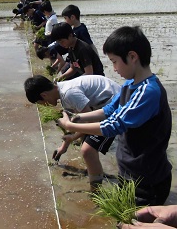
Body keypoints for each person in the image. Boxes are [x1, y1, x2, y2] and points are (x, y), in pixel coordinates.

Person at [57, 26, 172, 206]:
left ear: (133, 57)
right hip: (130, 173)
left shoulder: (148, 92)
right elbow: (108, 110)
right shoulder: (129, 85)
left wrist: (71, 127)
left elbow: (112, 125)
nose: (114, 68)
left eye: (114, 61)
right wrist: (78, 118)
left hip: (147, 179)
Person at [24, 74, 121, 191]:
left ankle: (96, 191)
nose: (46, 105)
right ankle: (96, 176)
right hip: (103, 106)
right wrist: (64, 145)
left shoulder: (69, 93)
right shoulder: (63, 90)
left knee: (88, 150)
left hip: (116, 108)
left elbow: (90, 121)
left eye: (42, 103)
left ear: (44, 95)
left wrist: (74, 137)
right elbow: (77, 120)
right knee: (86, 142)